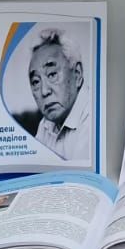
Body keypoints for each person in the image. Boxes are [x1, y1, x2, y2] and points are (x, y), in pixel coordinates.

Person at [27, 28, 89, 160]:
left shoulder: (94, 117)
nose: (44, 91)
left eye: (52, 74)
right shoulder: (46, 125)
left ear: (77, 74)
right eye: (36, 81)